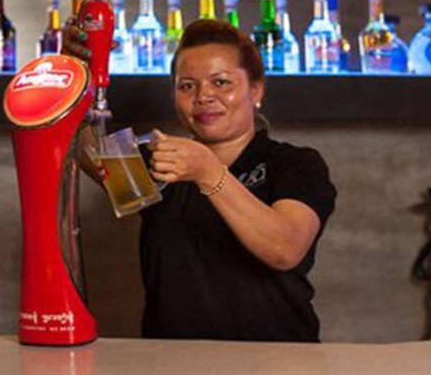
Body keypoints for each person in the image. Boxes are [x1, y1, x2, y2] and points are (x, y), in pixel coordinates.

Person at [64, 18, 337, 342]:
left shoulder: (295, 163)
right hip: (173, 359)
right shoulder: (160, 161)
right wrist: (74, 70)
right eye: (187, 86)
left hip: (276, 358)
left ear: (256, 89)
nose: (204, 96)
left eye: (221, 82)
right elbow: (82, 149)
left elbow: (285, 249)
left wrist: (209, 172)